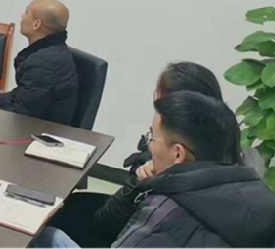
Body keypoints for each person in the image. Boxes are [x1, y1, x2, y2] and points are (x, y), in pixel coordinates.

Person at [34, 92, 275, 248]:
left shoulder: (164, 213)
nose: (149, 146)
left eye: (152, 137)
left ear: (178, 154)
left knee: (44, 237)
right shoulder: (250, 185)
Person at [44, 62, 225, 247]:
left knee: (47, 232)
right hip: (128, 220)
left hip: (120, 231)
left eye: (153, 138)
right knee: (67, 206)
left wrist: (140, 184)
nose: (154, 96)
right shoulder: (219, 159)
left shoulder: (167, 187)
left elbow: (108, 224)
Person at [0, 0, 78, 125]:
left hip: (35, 130)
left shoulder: (44, 64)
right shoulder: (51, 51)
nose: (22, 16)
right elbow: (23, 93)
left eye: (26, 12)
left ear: (36, 24)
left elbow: (22, 114)